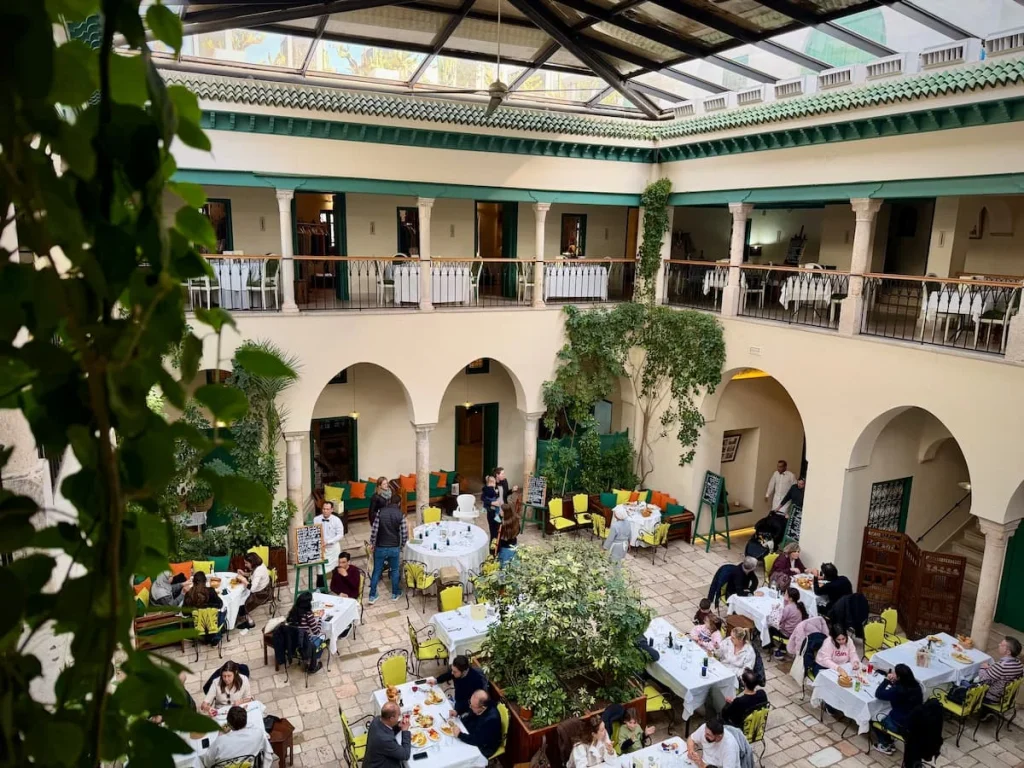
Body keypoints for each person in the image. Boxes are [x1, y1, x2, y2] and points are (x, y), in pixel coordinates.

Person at [872, 663, 923, 756]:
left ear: (899, 677)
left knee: (874, 716)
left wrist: (886, 680)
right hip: (915, 723)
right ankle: (889, 740)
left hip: (900, 725)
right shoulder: (916, 687)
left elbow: (879, 694)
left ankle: (884, 744)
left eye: (895, 673)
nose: (893, 674)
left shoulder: (898, 690)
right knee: (887, 711)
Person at [200, 705, 275, 768]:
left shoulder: (219, 743)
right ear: (246, 720)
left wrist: (221, 733)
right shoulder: (258, 733)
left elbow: (207, 763)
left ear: (229, 724)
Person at [368, 503, 407, 604]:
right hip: (394, 547)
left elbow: (374, 530)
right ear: (399, 503)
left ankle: (372, 596)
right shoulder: (400, 514)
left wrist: (372, 543)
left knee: (376, 571)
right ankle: (395, 594)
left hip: (380, 546)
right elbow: (404, 533)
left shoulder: (380, 512)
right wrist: (402, 545)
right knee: (394, 570)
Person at [286, 591, 326, 673]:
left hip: (293, 641)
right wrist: (320, 619)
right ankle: (313, 663)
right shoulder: (308, 614)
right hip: (305, 642)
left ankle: (307, 660)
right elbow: (316, 631)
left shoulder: (293, 610)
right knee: (322, 640)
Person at [455, 690, 502, 759]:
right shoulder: (481, 705)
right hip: (475, 730)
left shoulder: (491, 721)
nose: (470, 707)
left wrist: (460, 735)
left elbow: (478, 740)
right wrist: (457, 711)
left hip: (485, 747)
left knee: (457, 753)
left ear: (483, 707)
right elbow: (470, 707)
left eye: (472, 706)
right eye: (470, 703)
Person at [364, 701, 411, 768]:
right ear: (391, 718)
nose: (399, 717)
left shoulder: (377, 720)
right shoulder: (385, 740)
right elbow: (405, 755)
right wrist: (405, 731)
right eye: (398, 715)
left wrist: (398, 726)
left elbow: (387, 730)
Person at [978, 635, 1024, 704]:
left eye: (1002, 645)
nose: (999, 644)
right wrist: (991, 668)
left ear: (1008, 652)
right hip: (1005, 697)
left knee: (965, 682)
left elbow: (983, 679)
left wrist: (983, 668)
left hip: (990, 697)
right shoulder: (1019, 664)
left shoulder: (1002, 666)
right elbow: (1003, 674)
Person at [183, 570, 225, 643]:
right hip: (212, 627)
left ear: (193, 582)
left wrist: (196, 610)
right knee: (224, 610)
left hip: (197, 629)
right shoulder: (211, 591)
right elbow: (220, 605)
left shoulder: (189, 594)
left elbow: (184, 612)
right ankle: (217, 636)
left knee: (190, 616)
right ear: (205, 581)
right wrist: (208, 606)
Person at [234, 552, 272, 630]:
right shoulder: (259, 565)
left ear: (252, 562)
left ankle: (250, 621)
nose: (245, 565)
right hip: (264, 588)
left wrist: (243, 580)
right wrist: (244, 573)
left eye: (246, 563)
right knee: (241, 595)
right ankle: (242, 615)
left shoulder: (258, 571)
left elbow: (252, 588)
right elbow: (253, 575)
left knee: (241, 601)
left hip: (261, 594)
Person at [769, 587, 808, 659]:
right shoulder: (797, 606)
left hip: (787, 633)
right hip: (794, 631)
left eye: (786, 594)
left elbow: (780, 619)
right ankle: (782, 648)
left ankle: (773, 647)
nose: (784, 595)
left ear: (790, 598)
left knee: (770, 627)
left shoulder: (788, 608)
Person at [314, 499, 345, 575]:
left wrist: (328, 542)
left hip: (333, 549)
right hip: (321, 549)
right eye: (324, 509)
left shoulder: (337, 520)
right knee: (320, 571)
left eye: (327, 509)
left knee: (336, 570)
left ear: (332, 510)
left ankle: (335, 586)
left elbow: (340, 535)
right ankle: (320, 586)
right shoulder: (316, 519)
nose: (325, 511)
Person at [497, 502, 521, 568]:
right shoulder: (515, 520)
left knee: (504, 566)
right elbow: (518, 531)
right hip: (514, 546)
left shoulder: (503, 525)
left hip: (505, 549)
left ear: (505, 513)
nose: (499, 512)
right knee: (513, 565)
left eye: (501, 511)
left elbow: (499, 537)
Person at [482, 475, 501, 542]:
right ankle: (493, 549)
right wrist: (491, 503)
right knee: (494, 532)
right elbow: (483, 498)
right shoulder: (489, 488)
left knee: (498, 531)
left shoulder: (500, 485)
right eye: (502, 474)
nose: (503, 476)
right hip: (492, 511)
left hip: (500, 511)